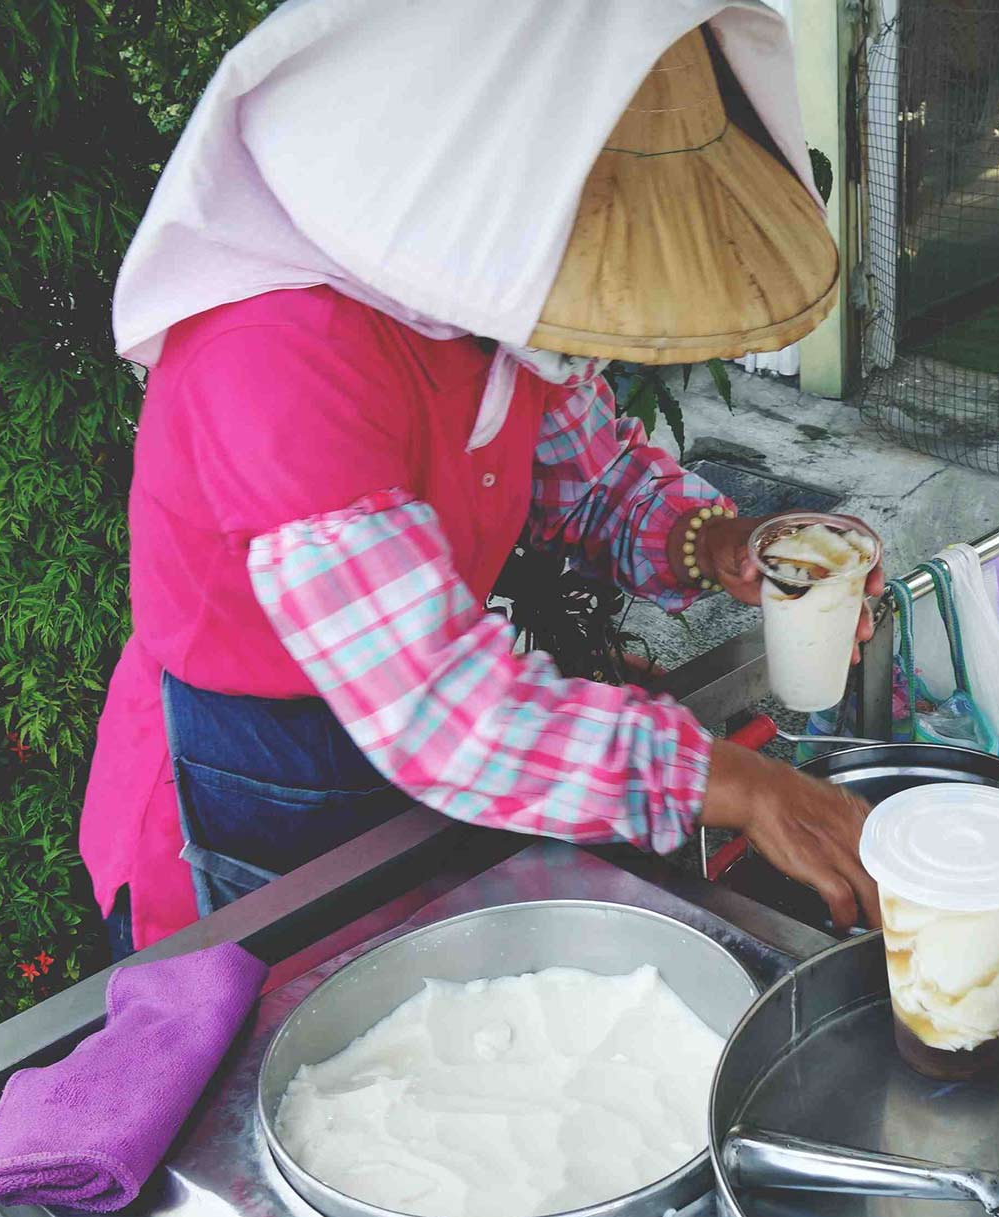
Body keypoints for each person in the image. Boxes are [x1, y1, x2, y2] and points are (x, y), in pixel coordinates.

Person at [80, 2, 883, 956]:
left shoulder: (482, 301)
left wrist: (721, 545)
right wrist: (742, 784)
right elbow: (442, 713)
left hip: (410, 766)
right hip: (249, 795)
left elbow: (590, 480)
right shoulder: (275, 354)